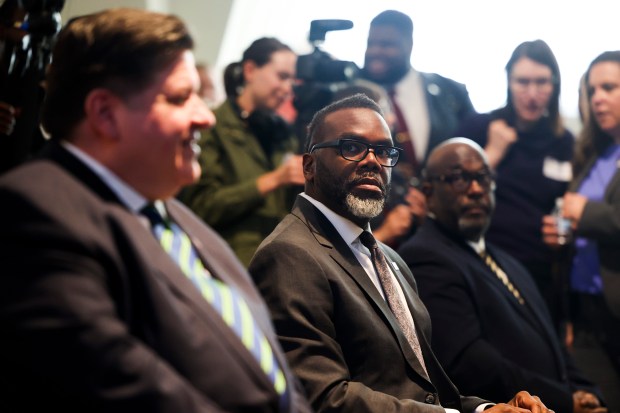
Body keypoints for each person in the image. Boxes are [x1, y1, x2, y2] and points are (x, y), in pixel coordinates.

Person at [0, 9, 312, 413]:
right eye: (181, 98)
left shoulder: (177, 217)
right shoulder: (37, 210)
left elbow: (269, 363)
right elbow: (119, 381)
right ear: (105, 114)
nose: (204, 116)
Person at [249, 93, 553, 413]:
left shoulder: (391, 260)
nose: (371, 161)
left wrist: (488, 409)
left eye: (383, 151)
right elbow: (322, 397)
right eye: (351, 147)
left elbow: (426, 391)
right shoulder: (289, 254)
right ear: (309, 166)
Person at [397, 138, 605, 413]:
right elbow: (471, 363)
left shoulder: (506, 258)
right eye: (459, 178)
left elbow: (551, 340)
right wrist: (566, 400)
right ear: (428, 191)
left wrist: (584, 389)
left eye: (483, 177)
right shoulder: (424, 256)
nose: (475, 189)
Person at [455, 40, 574, 331]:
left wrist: (564, 233)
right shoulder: (478, 128)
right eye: (523, 82)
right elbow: (441, 197)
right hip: (481, 269)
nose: (532, 94)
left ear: (554, 84)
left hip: (539, 277)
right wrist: (492, 154)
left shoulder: (564, 142)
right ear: (508, 81)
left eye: (541, 82)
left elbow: (567, 211)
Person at [179, 37, 304, 267]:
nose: (288, 89)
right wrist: (273, 179)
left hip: (280, 263)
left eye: (292, 80)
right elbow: (200, 207)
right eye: (282, 77)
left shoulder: (283, 133)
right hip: (227, 265)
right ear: (250, 70)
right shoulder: (210, 128)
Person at [543, 50, 620, 412]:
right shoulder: (594, 152)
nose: (597, 98)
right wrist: (563, 233)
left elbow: (594, 214)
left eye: (609, 87)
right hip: (586, 310)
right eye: (592, 90)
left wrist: (585, 212)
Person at [362, 9, 474, 247]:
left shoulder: (450, 92)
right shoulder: (353, 93)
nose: (375, 52)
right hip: (380, 230)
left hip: (443, 229)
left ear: (409, 44)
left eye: (386, 44)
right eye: (370, 43)